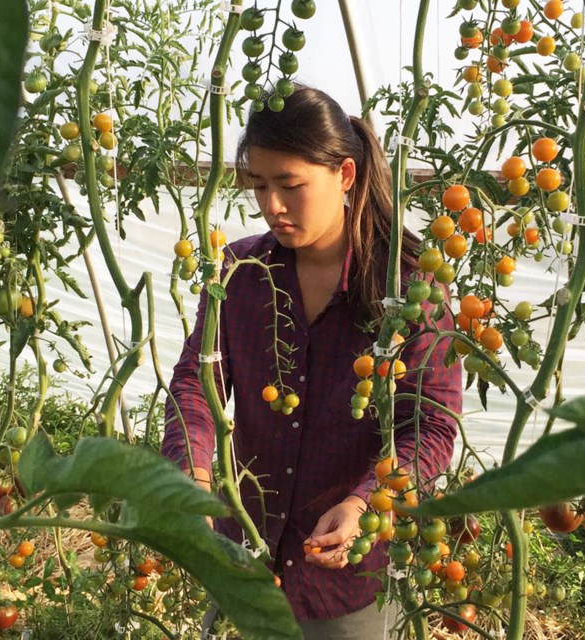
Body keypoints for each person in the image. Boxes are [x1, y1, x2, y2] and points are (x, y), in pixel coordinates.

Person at [161, 86, 462, 638]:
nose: (272, 205)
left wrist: (363, 502)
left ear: (345, 175)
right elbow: (197, 383)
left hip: (348, 575)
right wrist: (192, 470)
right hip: (247, 555)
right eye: (259, 186)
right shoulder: (240, 272)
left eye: (290, 185)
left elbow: (433, 423)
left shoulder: (410, 285)